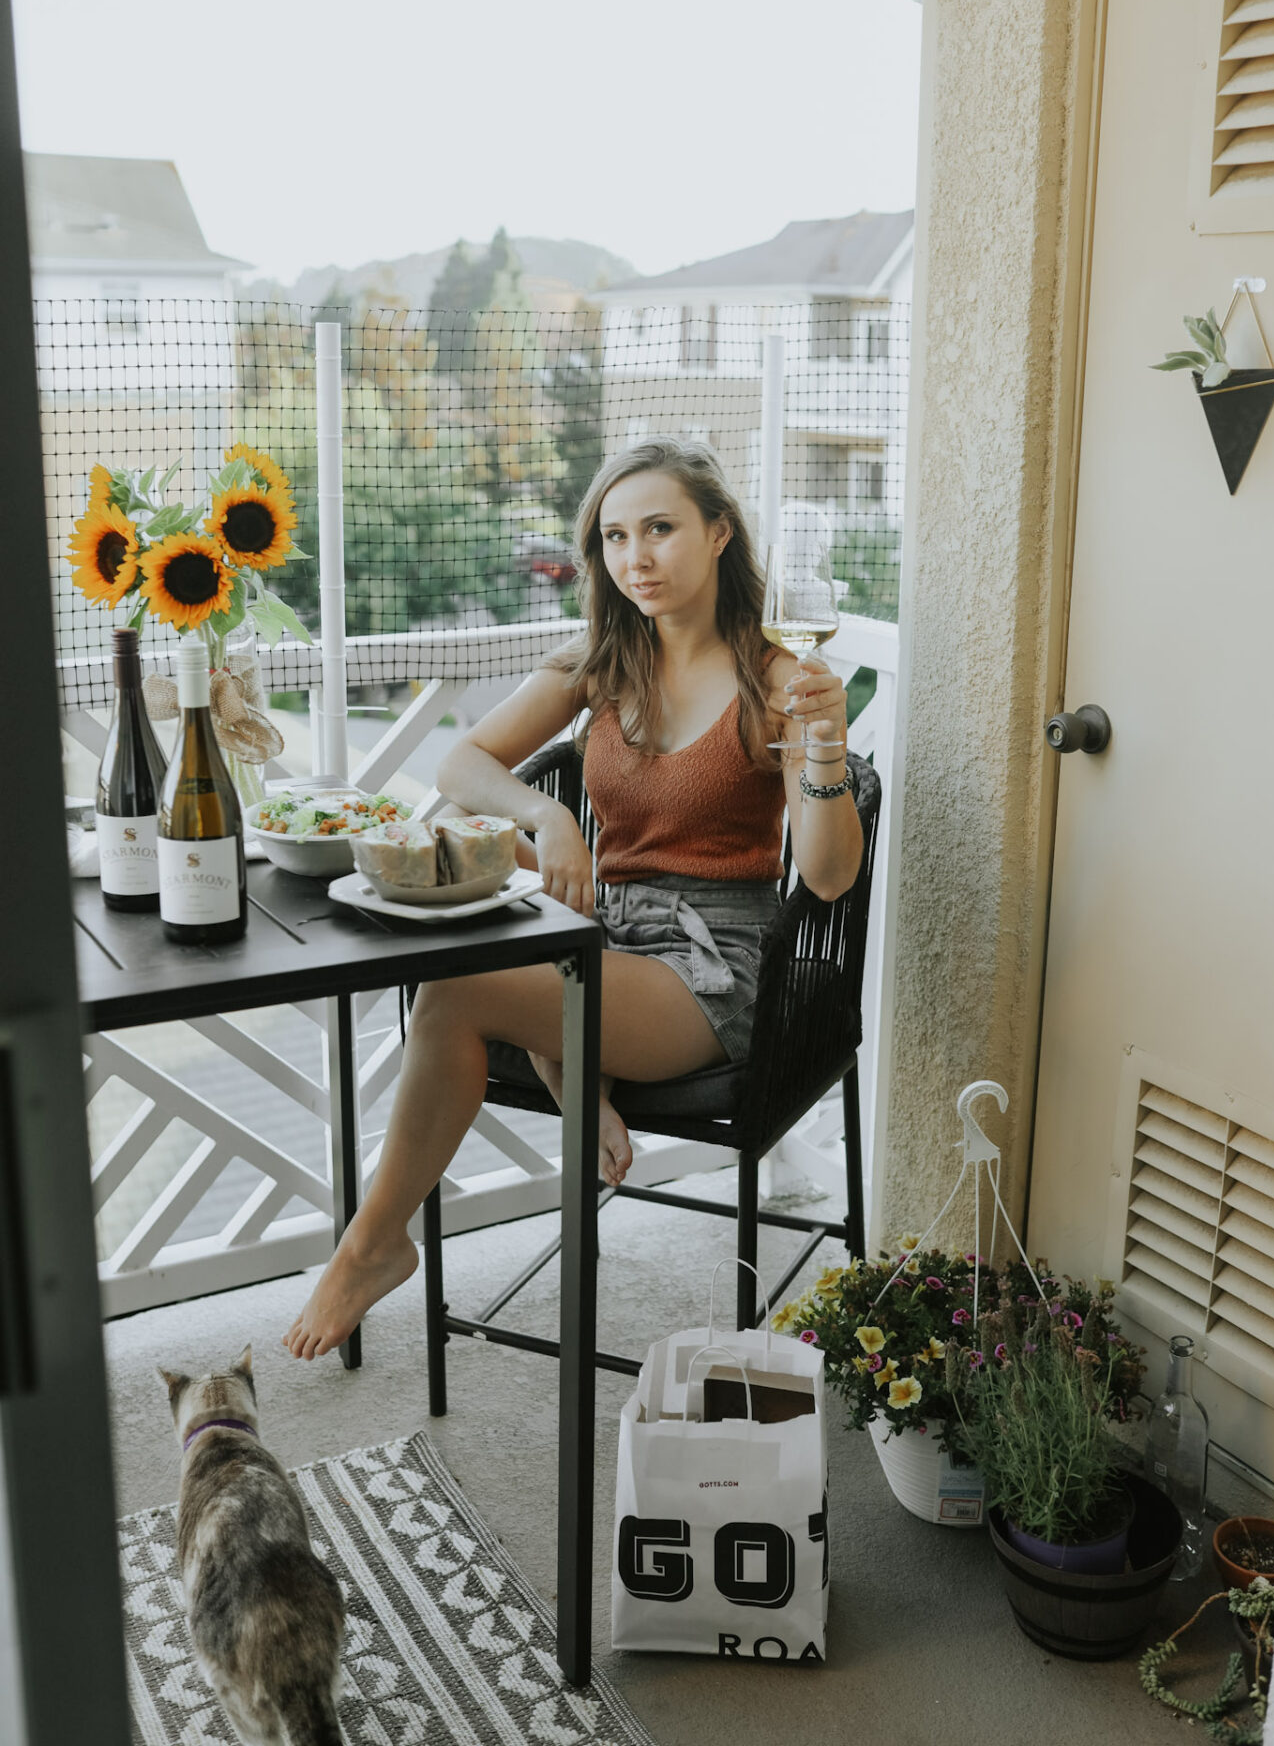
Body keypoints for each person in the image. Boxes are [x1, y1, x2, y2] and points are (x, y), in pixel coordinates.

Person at [284, 437, 863, 1360]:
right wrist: (549, 823)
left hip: (710, 966)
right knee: (469, 902)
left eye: (661, 529)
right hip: (596, 929)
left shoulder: (779, 680)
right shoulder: (603, 663)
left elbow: (829, 876)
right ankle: (569, 1079)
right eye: (615, 536)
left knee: (456, 988)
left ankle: (373, 1243)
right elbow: (462, 763)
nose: (636, 558)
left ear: (719, 534)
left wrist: (825, 746)